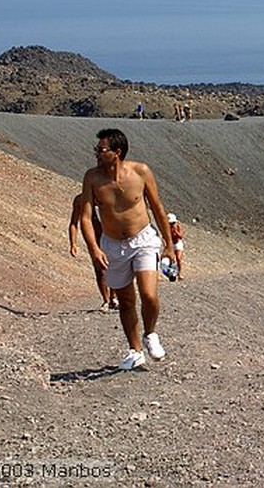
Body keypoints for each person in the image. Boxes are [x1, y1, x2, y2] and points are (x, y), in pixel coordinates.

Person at [80, 128, 174, 371]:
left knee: (149, 294)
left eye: (101, 150)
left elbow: (157, 208)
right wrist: (94, 249)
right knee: (125, 301)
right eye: (97, 150)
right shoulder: (92, 178)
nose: (97, 155)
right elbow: (87, 218)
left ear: (117, 152)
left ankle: (150, 333)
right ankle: (135, 351)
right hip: (113, 245)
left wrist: (169, 246)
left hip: (143, 239)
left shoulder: (140, 172)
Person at [69, 193, 116, 312]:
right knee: (100, 270)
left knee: (114, 267)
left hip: (110, 238)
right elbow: (74, 223)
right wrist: (73, 243)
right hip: (94, 240)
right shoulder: (80, 200)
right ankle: (106, 300)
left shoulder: (104, 197)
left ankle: (113, 298)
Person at [168, 212, 185, 279]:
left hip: (178, 243)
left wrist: (176, 232)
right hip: (171, 244)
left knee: (178, 258)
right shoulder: (167, 226)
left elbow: (181, 236)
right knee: (171, 260)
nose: (171, 225)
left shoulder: (177, 225)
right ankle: (172, 273)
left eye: (172, 223)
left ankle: (179, 274)